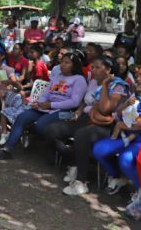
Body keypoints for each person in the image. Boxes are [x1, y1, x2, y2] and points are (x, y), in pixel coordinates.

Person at [43, 56, 130, 194]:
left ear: (108, 69)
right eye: (92, 67)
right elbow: (85, 100)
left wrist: (105, 86)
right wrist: (78, 111)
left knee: (81, 135)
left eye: (97, 67)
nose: (93, 70)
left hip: (107, 125)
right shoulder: (94, 82)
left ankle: (81, 182)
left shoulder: (117, 85)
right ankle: (73, 161)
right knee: (51, 129)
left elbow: (105, 109)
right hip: (85, 117)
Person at [88, 65, 141, 197]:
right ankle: (117, 177)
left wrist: (128, 124)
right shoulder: (138, 92)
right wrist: (127, 111)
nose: (137, 78)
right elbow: (121, 113)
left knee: (125, 159)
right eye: (137, 75)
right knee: (99, 149)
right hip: (127, 133)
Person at [0, 53, 87, 160]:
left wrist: (50, 105)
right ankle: (7, 150)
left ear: (75, 65)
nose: (62, 65)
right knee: (22, 117)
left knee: (40, 126)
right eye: (62, 62)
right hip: (46, 108)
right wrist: (39, 103)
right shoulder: (57, 77)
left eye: (67, 63)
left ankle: (62, 152)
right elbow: (46, 94)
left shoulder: (79, 80)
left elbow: (75, 102)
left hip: (65, 111)